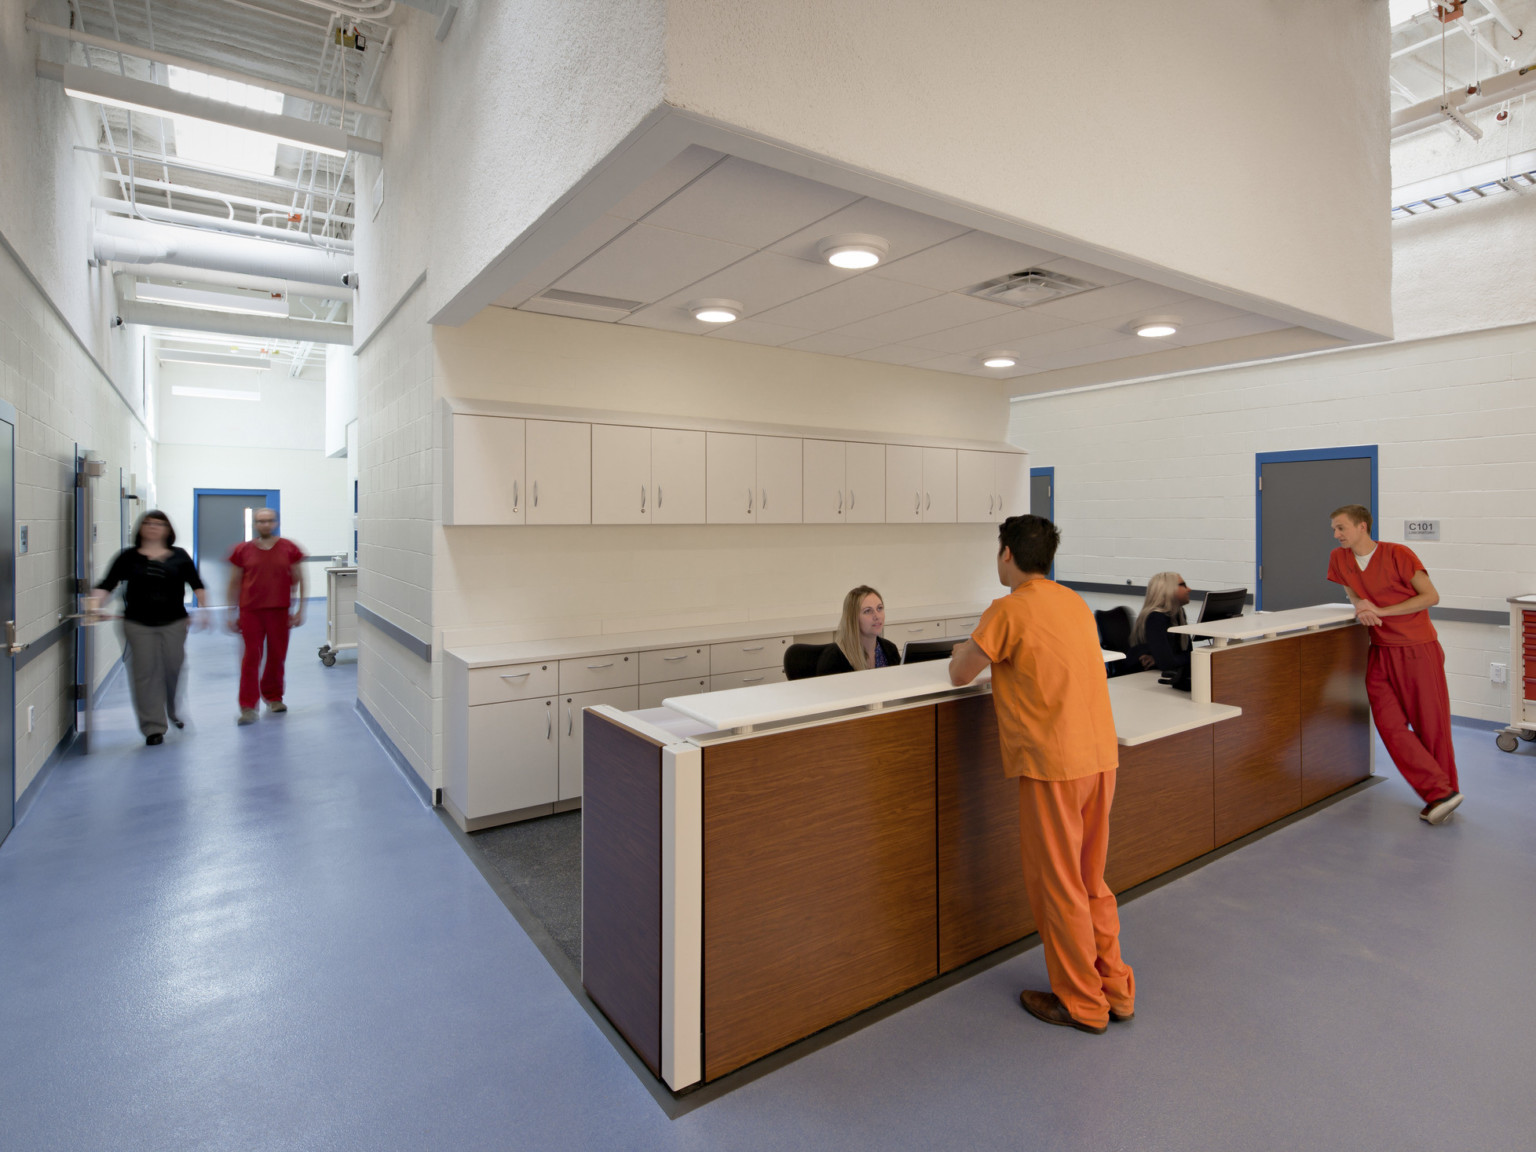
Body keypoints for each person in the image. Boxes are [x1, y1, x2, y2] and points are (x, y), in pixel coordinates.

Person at [947, 515, 1132, 1035]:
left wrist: (970, 643)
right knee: (1090, 878)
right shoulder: (1073, 602)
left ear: (1007, 554)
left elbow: (960, 672)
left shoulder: (1008, 611)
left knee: (1059, 886)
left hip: (1054, 765)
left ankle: (1081, 1003)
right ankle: (1115, 990)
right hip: (1099, 755)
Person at [1326, 504, 1461, 825]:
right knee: (1388, 724)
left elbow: (1431, 597)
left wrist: (1381, 612)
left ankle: (1443, 793)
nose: (1336, 534)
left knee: (1431, 726)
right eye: (1334, 529)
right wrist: (1361, 606)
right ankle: (1440, 790)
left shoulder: (1398, 554)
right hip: (1381, 650)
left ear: (1362, 527)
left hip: (1418, 649)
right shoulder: (1338, 558)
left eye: (1341, 528)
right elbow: (1352, 592)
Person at [91, 511, 207, 746]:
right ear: (141, 528)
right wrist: (94, 606)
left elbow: (197, 584)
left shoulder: (179, 556)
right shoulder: (127, 557)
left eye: (159, 523)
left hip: (174, 622)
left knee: (173, 668)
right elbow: (106, 584)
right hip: (137, 624)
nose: (153, 527)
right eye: (148, 523)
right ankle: (153, 727)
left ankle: (173, 710)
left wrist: (205, 610)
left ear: (167, 529)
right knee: (145, 674)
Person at [226, 508, 306, 725]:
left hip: (279, 610)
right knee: (251, 656)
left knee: (277, 655)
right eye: (261, 521)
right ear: (255, 524)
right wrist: (230, 611)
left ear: (275, 523)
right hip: (250, 611)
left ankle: (274, 697)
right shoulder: (243, 550)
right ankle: (248, 705)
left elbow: (299, 578)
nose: (265, 525)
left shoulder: (289, 548)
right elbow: (235, 581)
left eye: (269, 521)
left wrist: (300, 609)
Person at [815, 585, 901, 675]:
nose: (877, 616)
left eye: (879, 608)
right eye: (868, 611)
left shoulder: (890, 649)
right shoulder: (833, 657)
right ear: (853, 618)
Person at [1129, 571, 1191, 673]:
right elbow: (1168, 663)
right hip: (1142, 676)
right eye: (1183, 585)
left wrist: (1160, 659)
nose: (1189, 589)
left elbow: (1189, 654)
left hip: (1159, 673)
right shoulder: (1156, 618)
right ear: (1168, 590)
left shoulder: (1178, 613)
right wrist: (1166, 660)